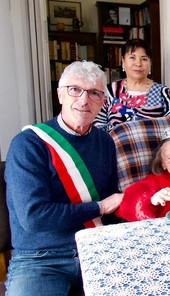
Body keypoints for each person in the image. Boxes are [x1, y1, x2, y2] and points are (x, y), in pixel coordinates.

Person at [4, 61, 123, 295]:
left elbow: (113, 202)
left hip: (95, 247)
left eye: (94, 93)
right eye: (74, 89)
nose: (84, 99)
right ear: (60, 95)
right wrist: (98, 207)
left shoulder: (104, 141)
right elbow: (34, 217)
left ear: (102, 102)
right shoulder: (28, 143)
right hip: (39, 258)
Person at [93, 39, 170, 132]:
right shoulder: (109, 92)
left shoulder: (163, 93)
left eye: (144, 59)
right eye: (132, 57)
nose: (138, 64)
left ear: (150, 64)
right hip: (114, 145)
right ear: (123, 61)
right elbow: (97, 127)